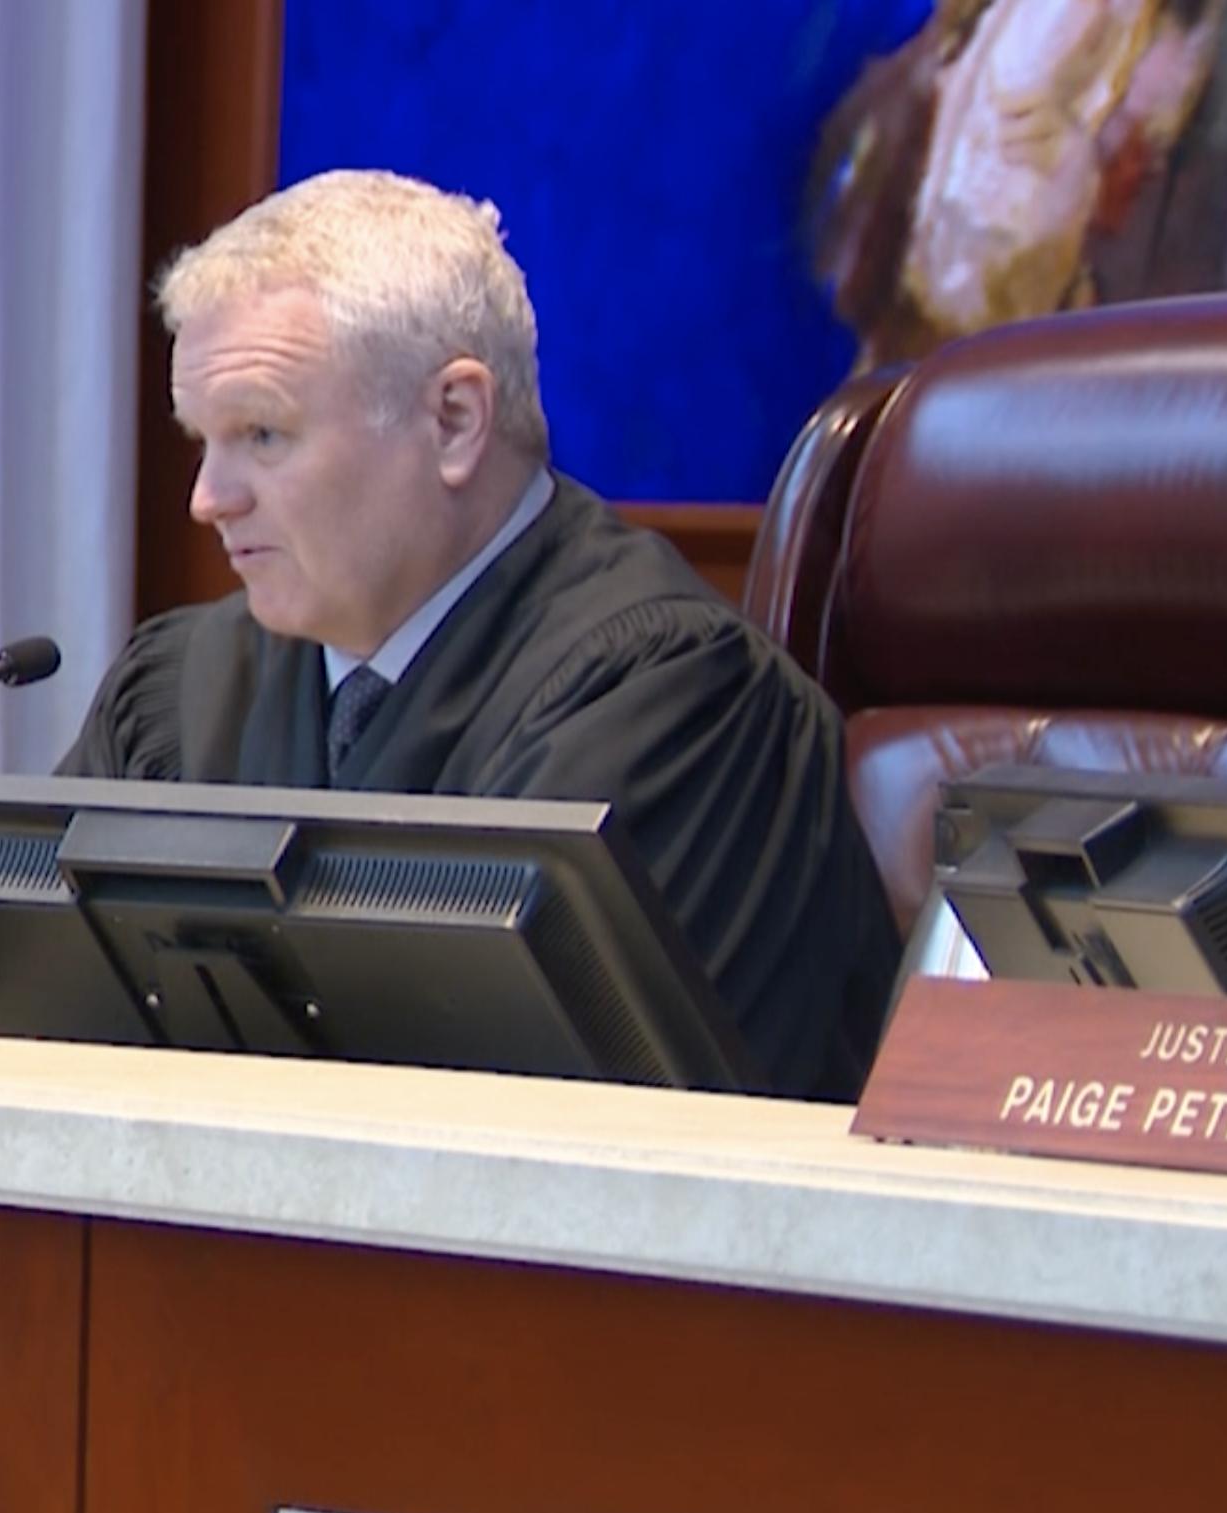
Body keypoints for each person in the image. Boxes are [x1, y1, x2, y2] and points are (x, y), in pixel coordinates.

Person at [62, 169, 901, 1100]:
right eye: (203, 440)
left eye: (262, 434)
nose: (208, 499)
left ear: (454, 421)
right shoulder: (179, 688)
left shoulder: (672, 702)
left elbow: (530, 1114)